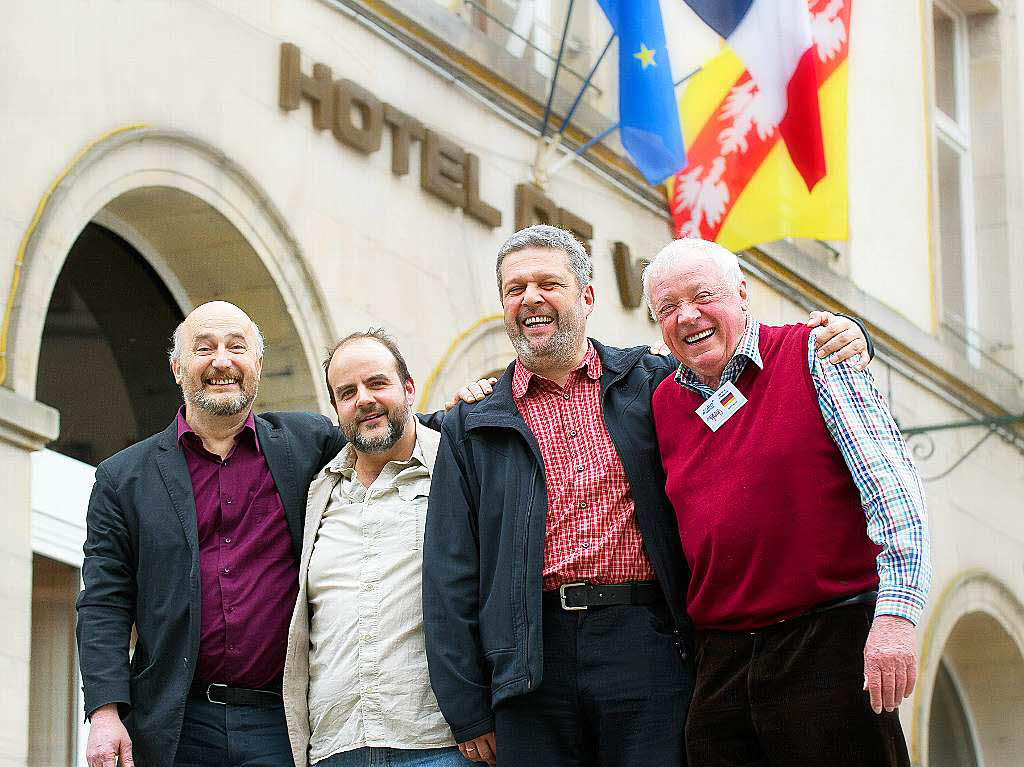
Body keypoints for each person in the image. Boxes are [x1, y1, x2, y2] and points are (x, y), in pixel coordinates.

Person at [422, 224, 872, 767]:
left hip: (649, 643)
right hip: (529, 660)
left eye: (548, 283)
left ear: (587, 298)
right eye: (515, 289)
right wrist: (468, 709)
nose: (530, 299)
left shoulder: (654, 380)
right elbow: (449, 574)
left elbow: (745, 367)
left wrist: (850, 338)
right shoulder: (472, 424)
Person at [77, 303, 466, 767]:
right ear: (178, 368)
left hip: (279, 723)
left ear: (257, 366)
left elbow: (381, 427)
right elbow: (104, 601)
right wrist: (105, 712)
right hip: (175, 722)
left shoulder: (307, 443)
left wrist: (464, 413)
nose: (222, 361)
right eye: (205, 349)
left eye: (237, 347)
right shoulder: (124, 478)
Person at [643, 238, 931, 767]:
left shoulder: (815, 353)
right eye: (668, 307)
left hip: (827, 639)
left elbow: (894, 492)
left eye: (704, 295)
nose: (688, 316)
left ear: (743, 294)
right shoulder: (663, 400)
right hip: (722, 659)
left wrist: (897, 617)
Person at [282, 330, 473, 767]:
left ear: (408, 388)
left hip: (438, 744)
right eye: (347, 392)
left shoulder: (457, 468)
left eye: (377, 383)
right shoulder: (318, 492)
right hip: (334, 746)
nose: (363, 399)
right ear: (335, 408)